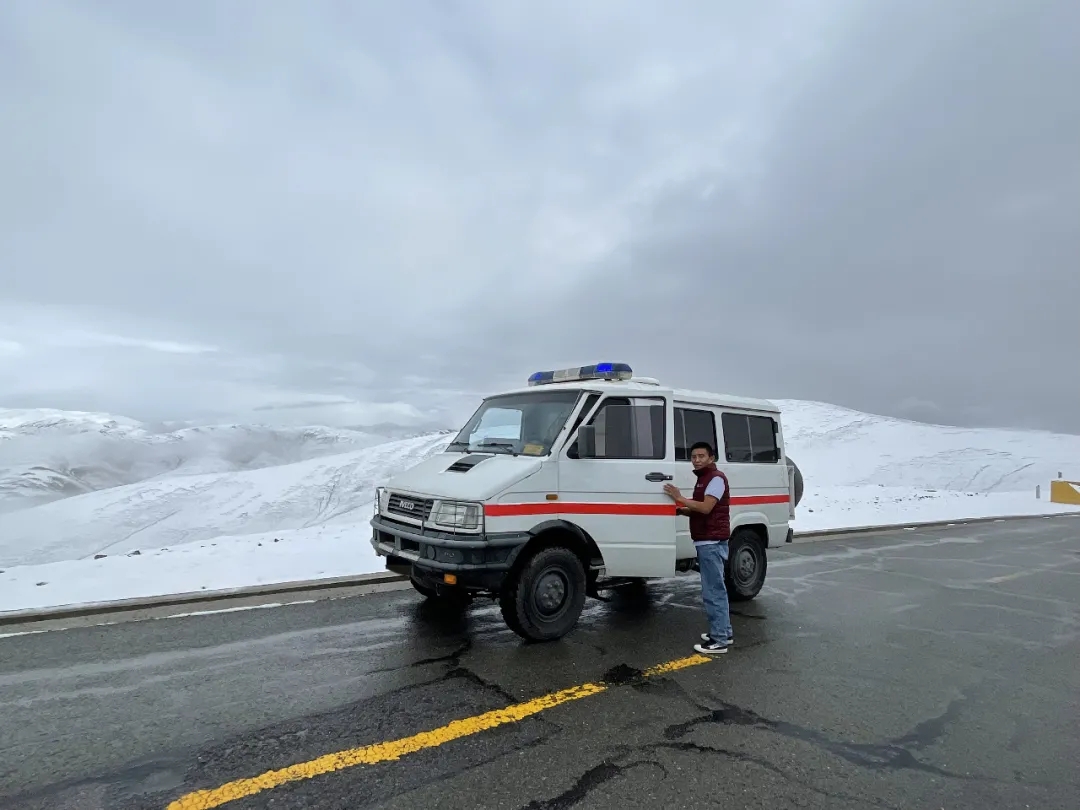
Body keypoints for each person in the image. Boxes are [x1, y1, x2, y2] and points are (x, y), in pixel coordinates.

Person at [663, 441, 733, 655]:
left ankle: (719, 640)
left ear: (711, 458)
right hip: (708, 540)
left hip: (711, 541)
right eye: (693, 457)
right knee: (716, 589)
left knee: (713, 591)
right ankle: (724, 632)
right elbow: (699, 509)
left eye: (701, 456)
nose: (697, 460)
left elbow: (705, 508)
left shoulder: (715, 478)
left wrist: (679, 498)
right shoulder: (704, 478)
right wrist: (680, 510)